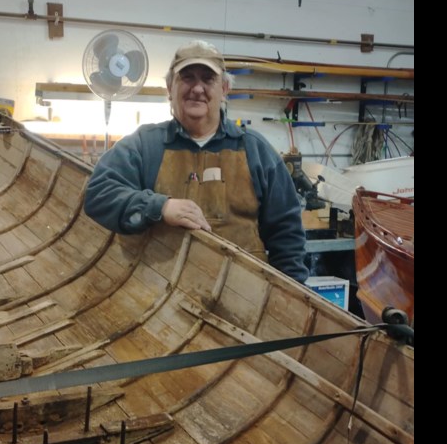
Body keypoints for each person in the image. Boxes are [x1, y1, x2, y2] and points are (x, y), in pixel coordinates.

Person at [84, 40, 308, 283]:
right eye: (187, 77)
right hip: (157, 299)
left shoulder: (256, 150)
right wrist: (159, 207)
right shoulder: (143, 145)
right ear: (170, 87)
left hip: (241, 300)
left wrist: (289, 297)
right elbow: (97, 194)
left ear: (224, 89)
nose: (197, 88)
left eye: (208, 79)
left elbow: (288, 236)